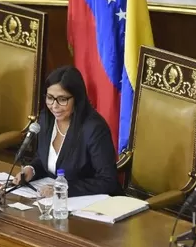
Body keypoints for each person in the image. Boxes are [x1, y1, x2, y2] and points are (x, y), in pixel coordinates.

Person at [12, 66, 122, 197]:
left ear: (77, 98)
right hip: (51, 201)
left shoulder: (94, 128)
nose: (54, 106)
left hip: (91, 204)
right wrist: (31, 170)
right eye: (50, 97)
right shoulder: (46, 119)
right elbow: (44, 160)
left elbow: (108, 181)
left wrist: (62, 189)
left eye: (62, 99)